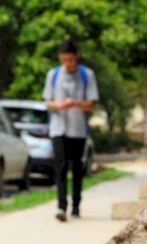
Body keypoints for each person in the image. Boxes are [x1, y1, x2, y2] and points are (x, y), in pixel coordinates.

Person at [43, 39, 99, 222]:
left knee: (76, 168)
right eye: (64, 60)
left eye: (70, 60)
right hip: (58, 128)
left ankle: (76, 205)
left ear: (76, 58)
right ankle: (61, 206)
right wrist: (59, 106)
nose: (67, 64)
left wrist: (75, 103)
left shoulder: (86, 75)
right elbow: (48, 102)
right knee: (60, 167)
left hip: (78, 129)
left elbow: (91, 104)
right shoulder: (53, 75)